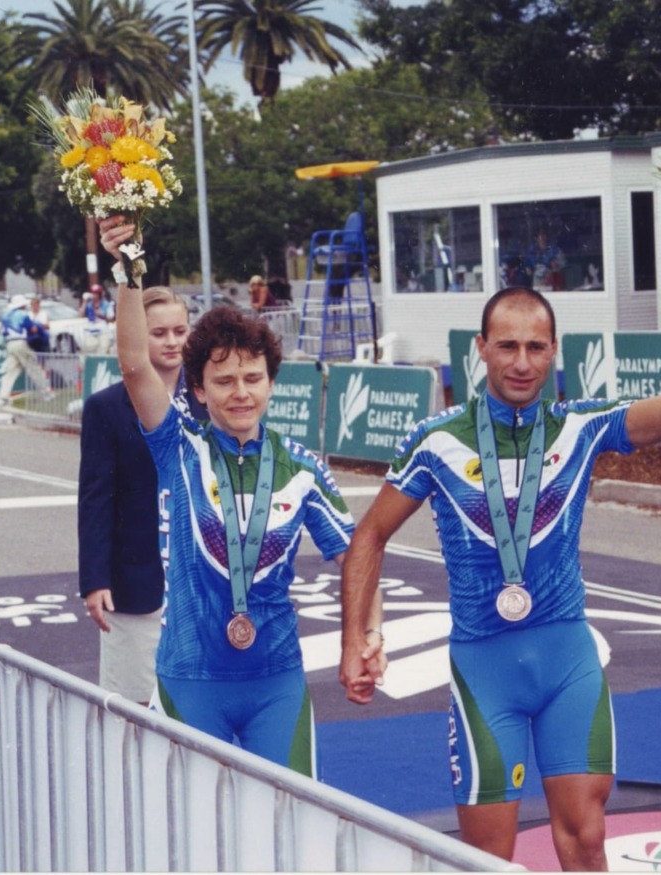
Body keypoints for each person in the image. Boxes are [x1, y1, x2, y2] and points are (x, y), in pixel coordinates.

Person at [339, 265, 661, 869]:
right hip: (485, 669)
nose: (521, 363)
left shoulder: (582, 427)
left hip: (568, 661)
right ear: (481, 348)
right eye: (507, 346)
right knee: (488, 857)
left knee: (586, 838)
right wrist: (355, 639)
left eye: (536, 347)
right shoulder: (436, 440)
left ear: (554, 350)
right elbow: (369, 535)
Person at [99, 215, 385, 776]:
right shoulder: (179, 446)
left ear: (271, 383)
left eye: (253, 379)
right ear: (199, 389)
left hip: (275, 682)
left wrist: (367, 635)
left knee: (286, 824)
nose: (241, 393)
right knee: (193, 828)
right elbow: (134, 366)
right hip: (190, 679)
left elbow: (360, 556)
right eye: (224, 381)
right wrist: (129, 267)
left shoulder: (301, 467)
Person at [79, 287, 206, 705]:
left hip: (203, 582)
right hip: (135, 583)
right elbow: (96, 498)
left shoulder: (213, 401)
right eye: (158, 333)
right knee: (132, 708)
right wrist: (95, 580)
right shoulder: (105, 408)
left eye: (180, 331)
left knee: (195, 709)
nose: (172, 342)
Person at [0, 294, 53, 405]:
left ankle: (2, 397)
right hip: (20, 343)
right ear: (22, 305)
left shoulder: (6, 315)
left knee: (10, 372)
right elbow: (33, 329)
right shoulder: (22, 315)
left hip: (9, 344)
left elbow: (3, 332)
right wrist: (40, 328)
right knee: (34, 368)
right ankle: (46, 393)